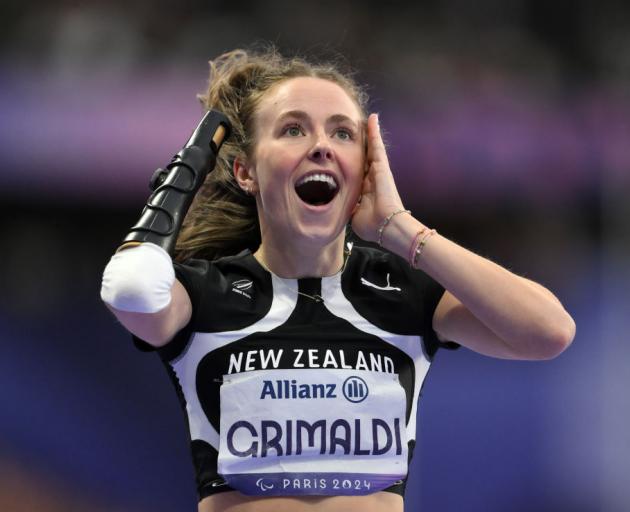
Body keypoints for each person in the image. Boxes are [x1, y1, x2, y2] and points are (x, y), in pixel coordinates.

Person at [100, 47, 576, 512]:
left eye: (343, 133)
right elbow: (132, 288)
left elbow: (548, 332)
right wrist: (188, 169)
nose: (322, 146)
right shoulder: (204, 295)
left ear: (365, 168)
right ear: (246, 171)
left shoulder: (403, 291)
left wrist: (401, 228)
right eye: (293, 129)